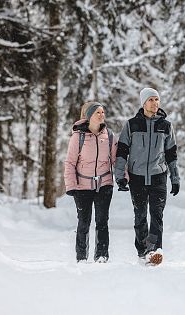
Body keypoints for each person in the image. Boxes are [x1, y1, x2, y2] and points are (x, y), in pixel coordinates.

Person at [114, 87, 180, 265]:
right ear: (143, 103)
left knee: (157, 215)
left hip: (158, 176)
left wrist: (175, 178)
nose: (155, 103)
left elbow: (171, 154)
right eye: (151, 100)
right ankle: (142, 250)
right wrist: (120, 176)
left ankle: (154, 250)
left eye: (157, 100)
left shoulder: (166, 126)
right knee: (140, 215)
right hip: (137, 178)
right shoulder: (132, 125)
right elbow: (121, 152)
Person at [64, 101, 117, 263]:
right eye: (98, 113)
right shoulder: (77, 137)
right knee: (84, 222)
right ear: (89, 116)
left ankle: (102, 255)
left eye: (103, 112)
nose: (102, 115)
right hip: (82, 187)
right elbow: (70, 163)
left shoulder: (109, 136)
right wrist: (71, 185)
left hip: (104, 185)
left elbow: (117, 161)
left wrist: (124, 178)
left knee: (102, 222)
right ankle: (81, 257)